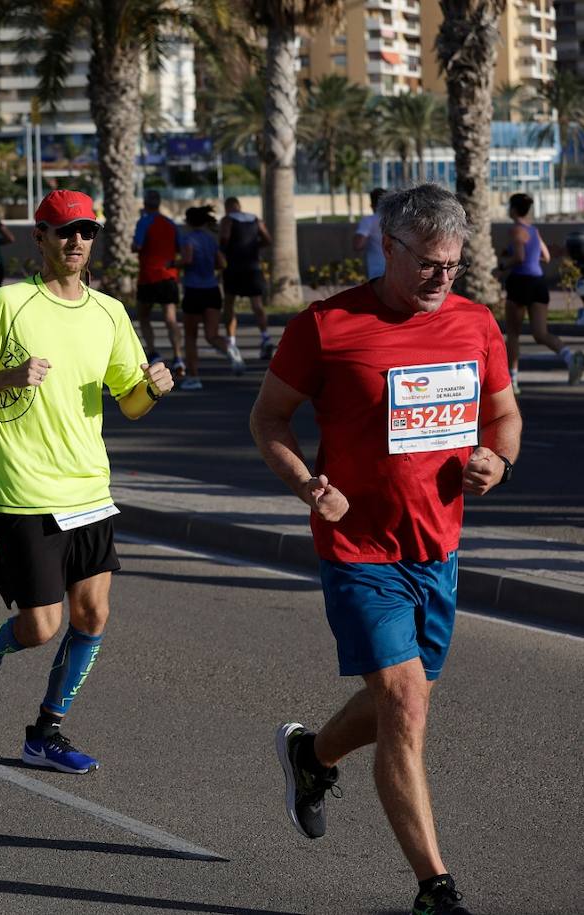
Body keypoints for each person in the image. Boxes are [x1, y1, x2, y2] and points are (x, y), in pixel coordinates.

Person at [250, 184, 520, 915]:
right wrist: (309, 484)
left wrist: (499, 459)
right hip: (359, 549)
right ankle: (436, 888)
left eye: (453, 267)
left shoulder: (473, 323)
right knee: (403, 702)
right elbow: (268, 417)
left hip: (438, 548)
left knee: (404, 702)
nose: (442, 280)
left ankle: (312, 755)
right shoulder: (328, 325)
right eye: (429, 264)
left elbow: (503, 414)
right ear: (389, 248)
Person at [0, 189, 174, 775]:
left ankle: (46, 732)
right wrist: (7, 375)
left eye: (86, 232)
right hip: (24, 492)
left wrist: (153, 386)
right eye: (64, 231)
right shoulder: (8, 303)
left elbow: (129, 403)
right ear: (40, 238)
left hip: (89, 490)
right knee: (41, 627)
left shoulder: (109, 312)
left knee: (93, 616)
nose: (76, 242)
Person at [499, 192, 580, 389]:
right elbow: (545, 256)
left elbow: (518, 257)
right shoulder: (534, 231)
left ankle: (513, 380)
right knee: (540, 333)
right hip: (538, 282)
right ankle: (570, 358)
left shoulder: (516, 230)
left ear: (514, 209)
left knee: (513, 334)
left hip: (520, 282)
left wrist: (501, 266)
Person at [178, 205, 244, 390]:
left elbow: (188, 259)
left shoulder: (188, 238)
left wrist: (174, 263)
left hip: (193, 289)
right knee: (212, 335)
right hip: (212, 289)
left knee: (190, 336)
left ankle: (194, 377)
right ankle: (230, 349)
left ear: (188, 222)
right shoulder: (210, 239)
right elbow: (222, 262)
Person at [131, 188, 184, 374]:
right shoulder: (170, 223)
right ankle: (178, 357)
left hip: (149, 276)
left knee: (143, 315)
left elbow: (137, 246)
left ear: (145, 204)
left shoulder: (144, 222)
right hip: (169, 275)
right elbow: (180, 247)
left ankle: (153, 352)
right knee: (171, 318)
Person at [219, 196, 274, 360]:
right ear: (239, 206)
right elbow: (267, 239)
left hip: (234, 268)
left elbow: (224, 239)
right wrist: (254, 246)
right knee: (257, 305)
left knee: (229, 303)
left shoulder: (227, 220)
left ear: (228, 207)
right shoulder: (254, 219)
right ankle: (265, 337)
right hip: (253, 267)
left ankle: (231, 341)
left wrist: (223, 249)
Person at [353, 188, 387, 282]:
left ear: (372, 205)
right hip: (398, 271)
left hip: (377, 272)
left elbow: (358, 244)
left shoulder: (369, 221)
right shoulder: (397, 220)